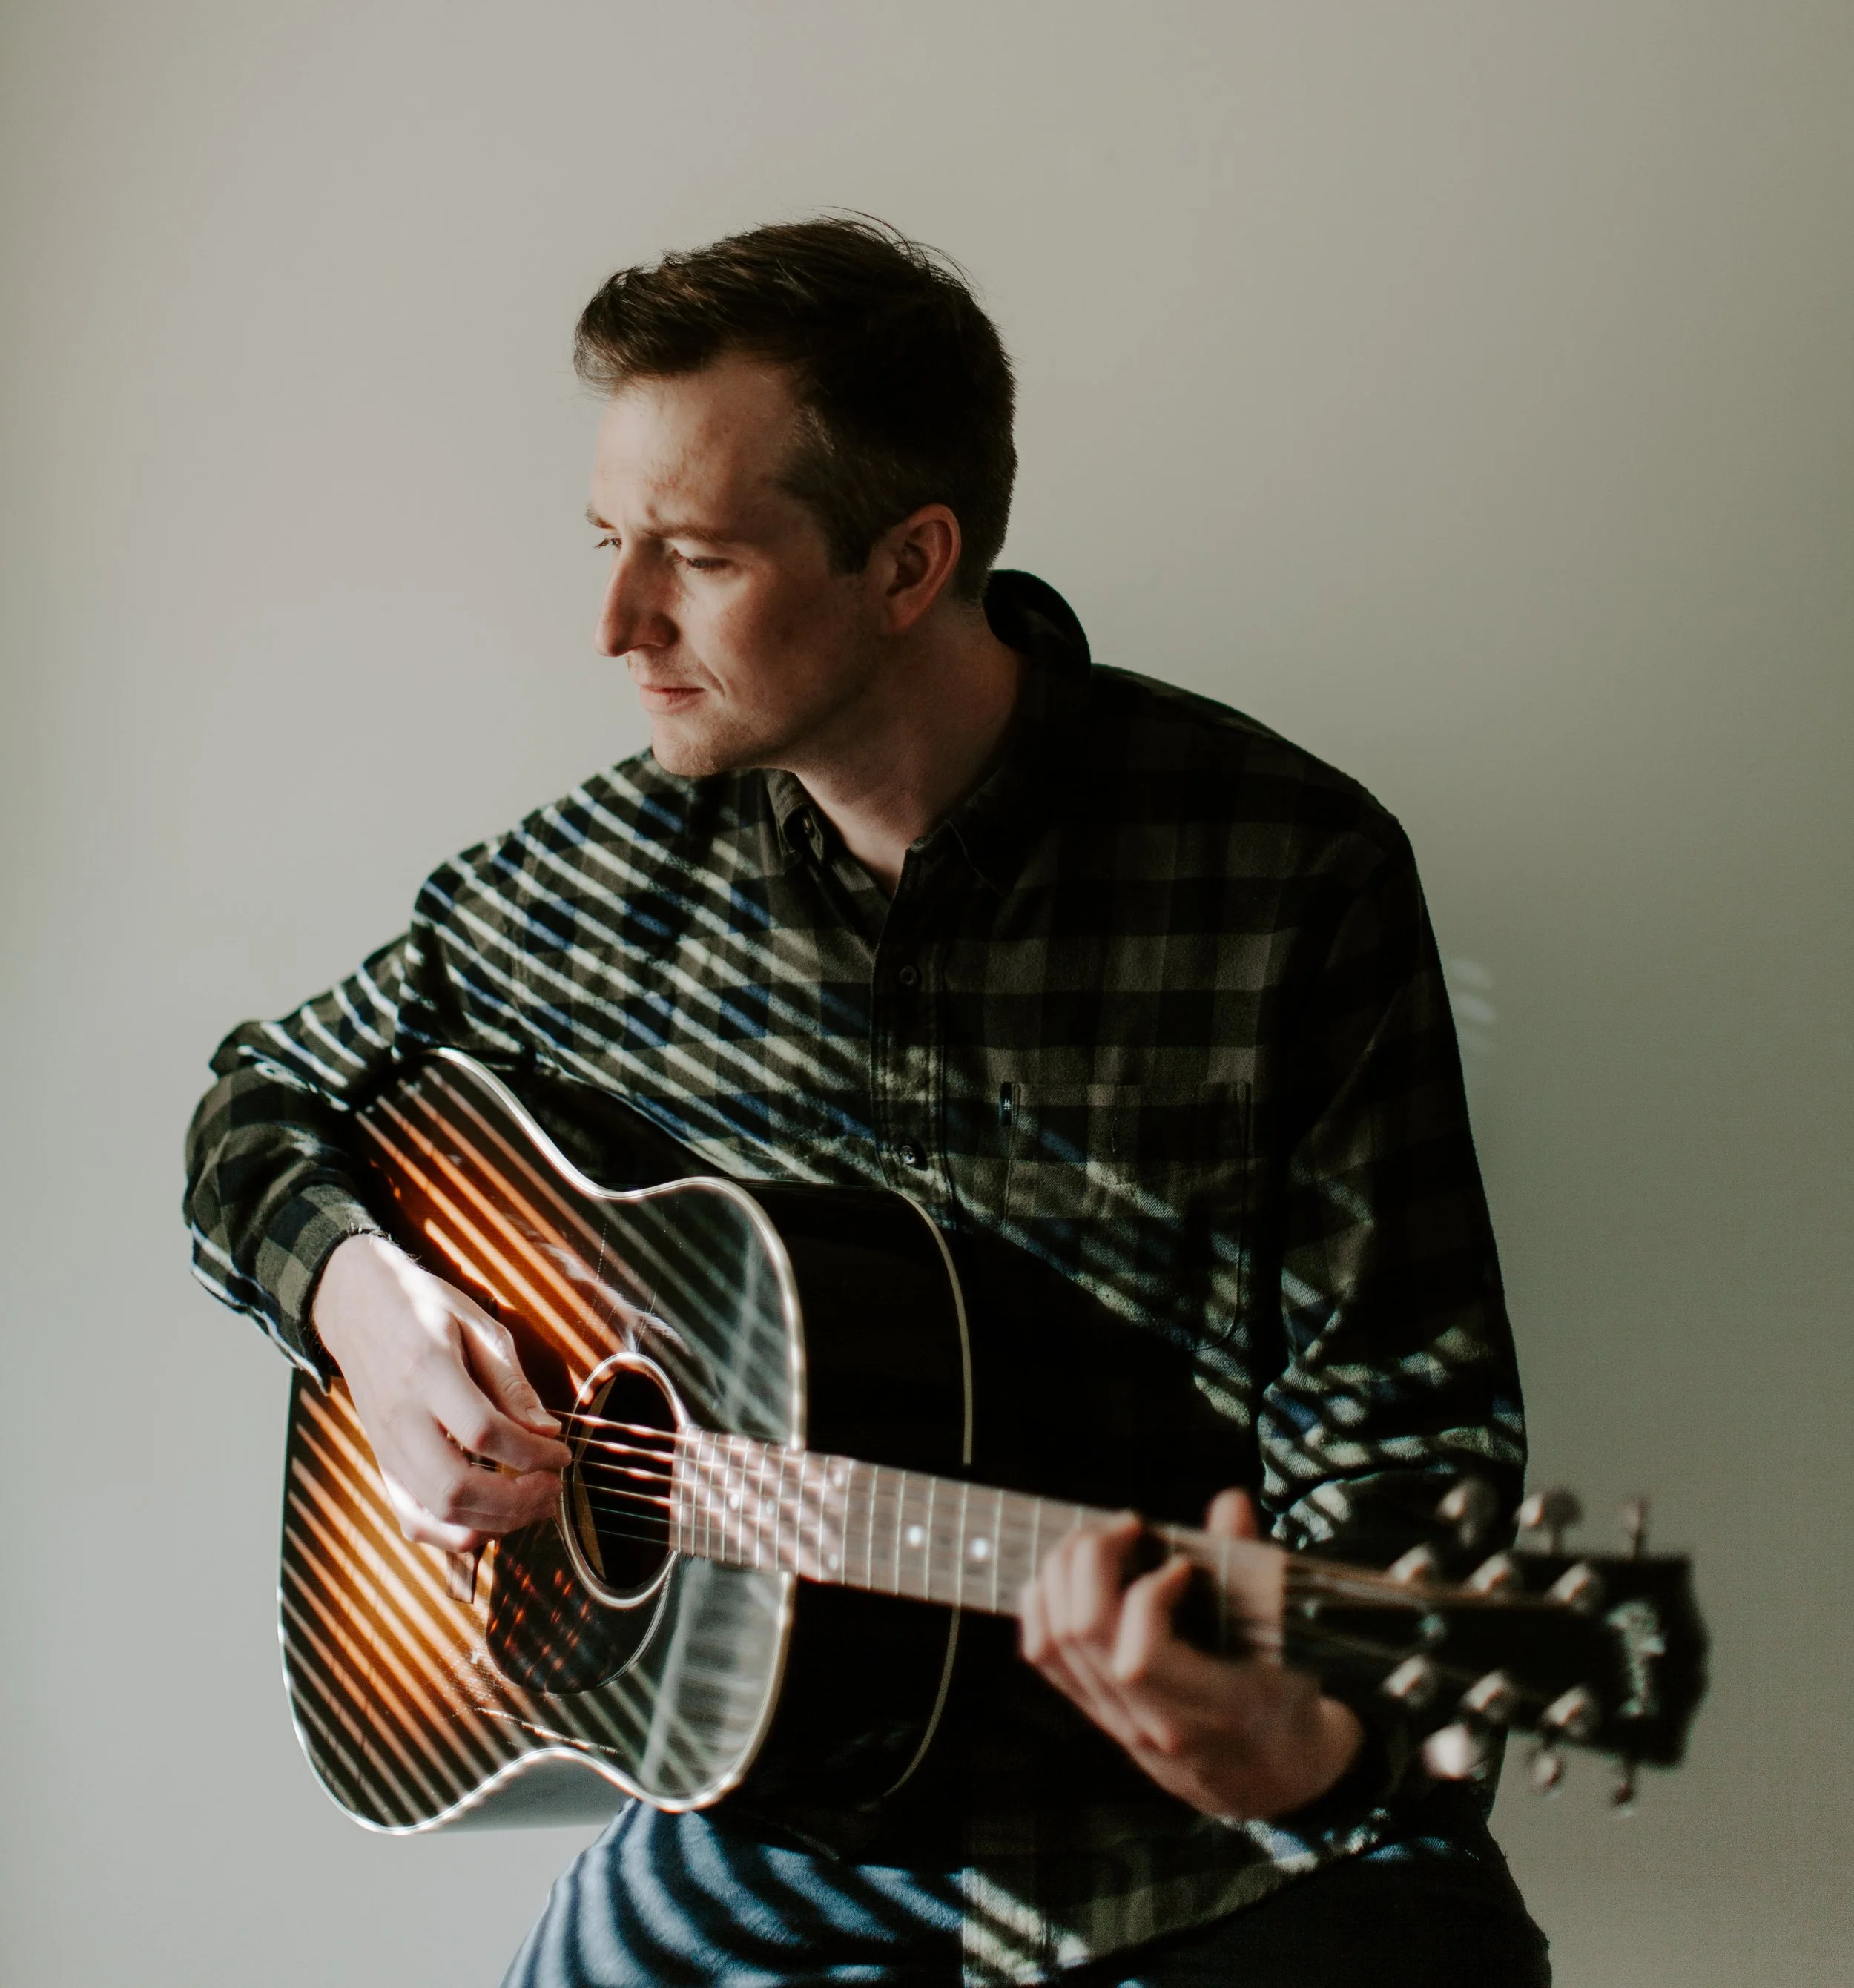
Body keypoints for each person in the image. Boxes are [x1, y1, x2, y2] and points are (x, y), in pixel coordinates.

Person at [185, 217, 1549, 1986]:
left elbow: (1411, 1450)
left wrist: (1299, 1732)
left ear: (909, 563)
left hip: (1192, 1848)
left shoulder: (1280, 876)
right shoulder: (601, 881)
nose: (614, 624)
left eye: (692, 557)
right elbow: (257, 1106)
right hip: (777, 1819)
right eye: (610, 544)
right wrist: (366, 1308)